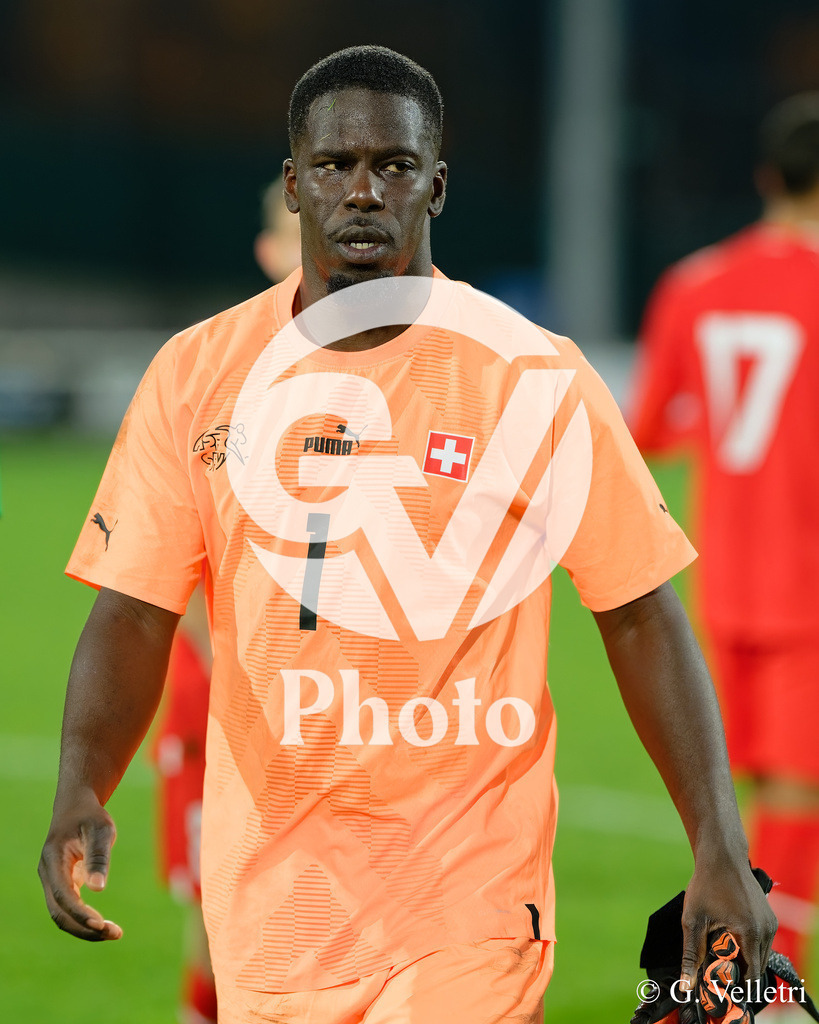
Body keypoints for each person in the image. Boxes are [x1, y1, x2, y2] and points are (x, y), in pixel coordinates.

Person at [39, 45, 775, 1023]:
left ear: (437, 184)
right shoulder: (196, 374)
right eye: (337, 165)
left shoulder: (529, 375)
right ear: (294, 184)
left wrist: (718, 842)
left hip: (469, 897)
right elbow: (134, 610)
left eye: (393, 165)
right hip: (273, 905)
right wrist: (81, 785)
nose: (363, 190)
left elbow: (639, 608)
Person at [629, 92, 819, 1001]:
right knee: (793, 801)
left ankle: (726, 991)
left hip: (721, 583)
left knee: (726, 805)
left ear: (764, 179)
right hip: (807, 588)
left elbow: (653, 427)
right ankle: (765, 993)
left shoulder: (694, 284)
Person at [150, 175, 302, 1024]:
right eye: (294, 236)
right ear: (267, 250)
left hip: (338, 707)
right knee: (223, 906)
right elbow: (173, 565)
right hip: (229, 708)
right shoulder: (215, 375)